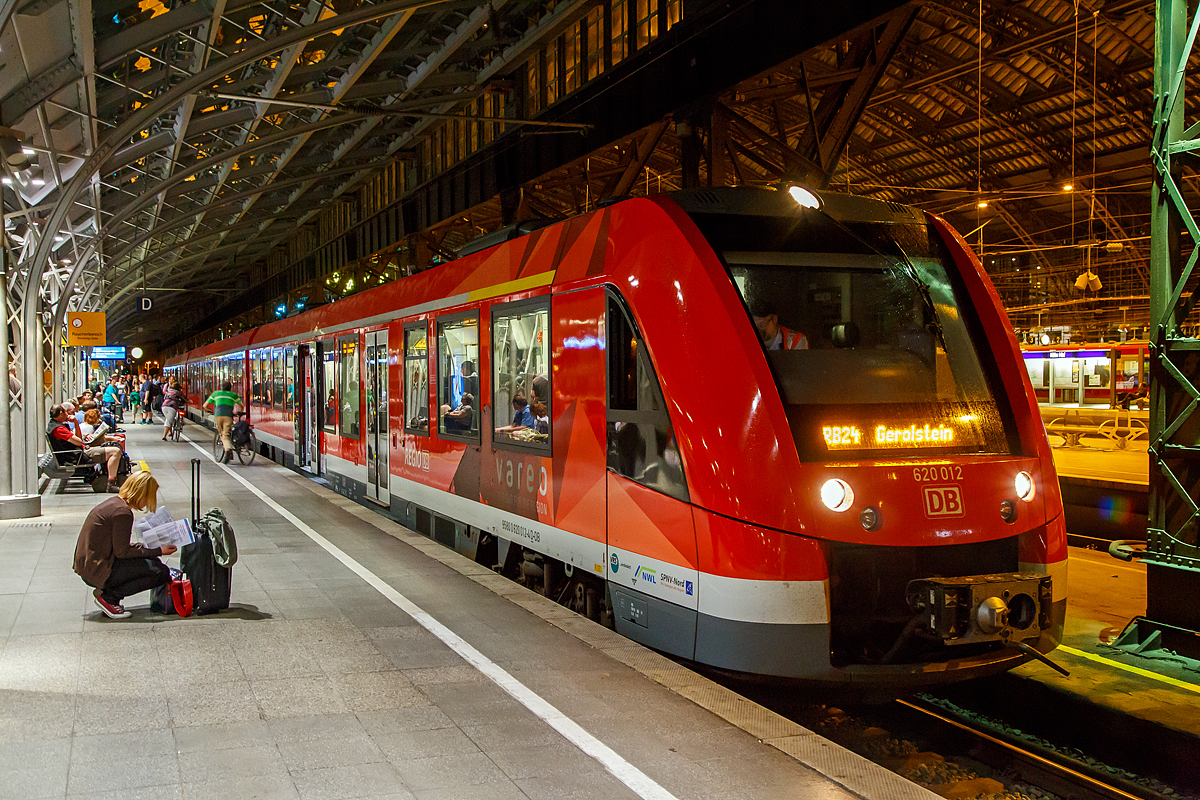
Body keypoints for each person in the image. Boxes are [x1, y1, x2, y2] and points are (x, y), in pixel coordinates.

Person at [73, 471, 177, 619]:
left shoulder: (114, 503)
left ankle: (107, 593)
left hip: (91, 564)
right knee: (159, 572)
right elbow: (122, 552)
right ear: (141, 493)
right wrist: (159, 550)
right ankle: (109, 598)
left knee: (152, 562)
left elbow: (118, 545)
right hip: (99, 568)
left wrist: (147, 549)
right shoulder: (123, 513)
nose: (147, 503)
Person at [47, 403, 124, 492]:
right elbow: (79, 441)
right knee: (115, 451)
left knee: (109, 447)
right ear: (61, 413)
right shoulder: (59, 429)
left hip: (77, 452)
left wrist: (77, 425)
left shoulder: (54, 425)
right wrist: (76, 424)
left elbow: (78, 440)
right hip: (77, 456)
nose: (68, 415)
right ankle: (111, 484)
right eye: (66, 413)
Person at [204, 380, 242, 462]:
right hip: (228, 416)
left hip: (218, 416)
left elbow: (205, 405)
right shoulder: (233, 395)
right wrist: (239, 412)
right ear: (230, 388)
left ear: (221, 387)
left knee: (222, 434)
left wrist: (209, 410)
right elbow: (241, 406)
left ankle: (228, 449)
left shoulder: (216, 393)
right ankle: (228, 450)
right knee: (226, 434)